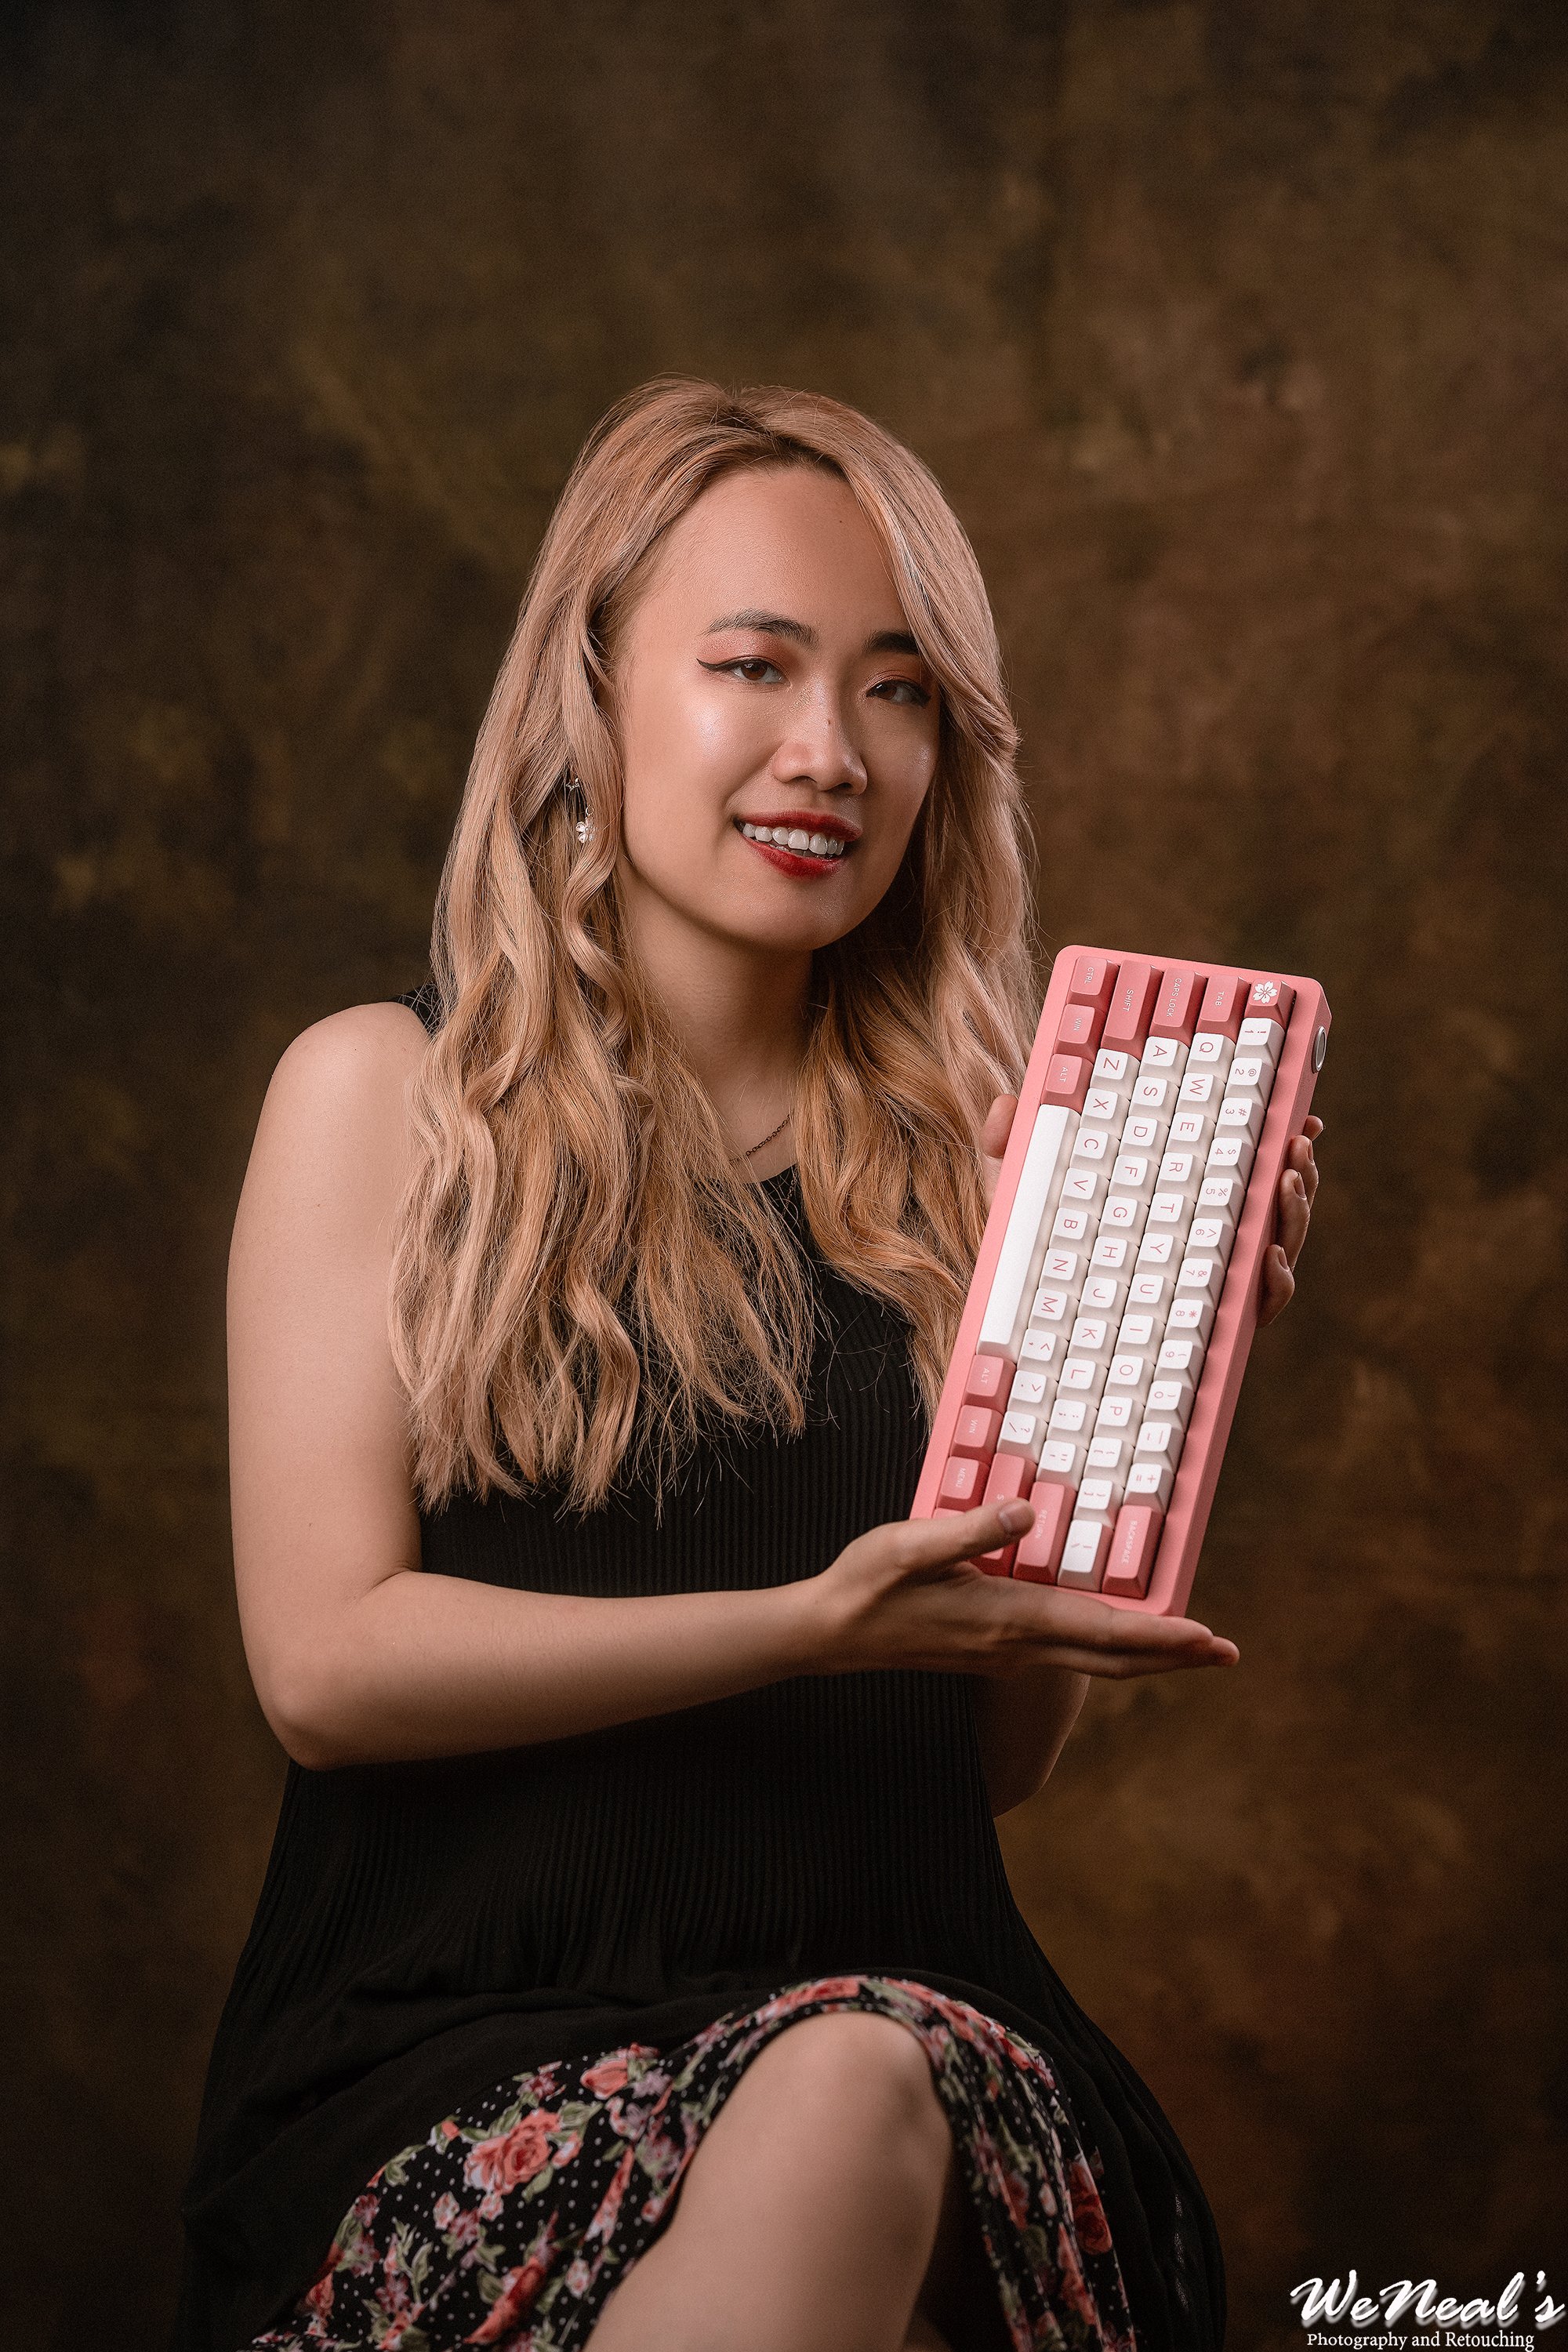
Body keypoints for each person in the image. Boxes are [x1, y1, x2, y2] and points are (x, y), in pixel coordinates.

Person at [176, 376, 1321, 2352]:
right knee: (844, 2085)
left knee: (859, 2078)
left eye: (896, 690)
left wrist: (1120, 1396)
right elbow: (327, 1668)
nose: (830, 754)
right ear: (590, 696)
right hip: (444, 2058)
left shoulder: (980, 1154)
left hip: (906, 2025)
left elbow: (989, 1761)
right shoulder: (380, 1099)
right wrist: (804, 1626)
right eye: (752, 666)